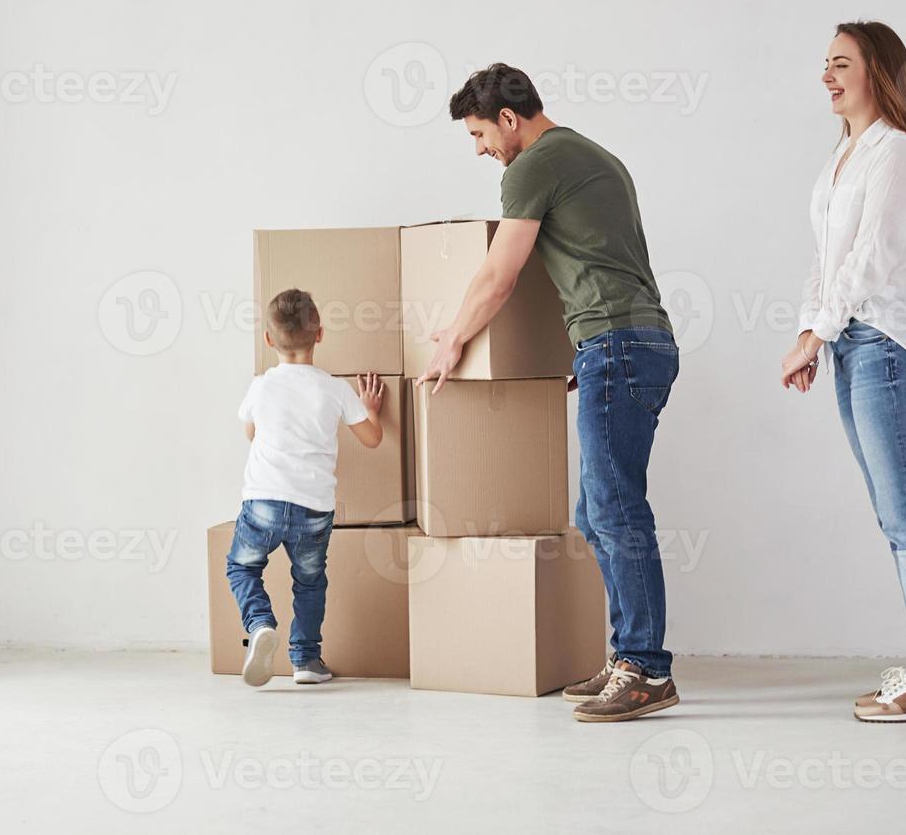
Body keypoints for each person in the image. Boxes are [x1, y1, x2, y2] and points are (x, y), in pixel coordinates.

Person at [418, 63, 680, 723]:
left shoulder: (533, 165)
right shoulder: (593, 155)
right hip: (628, 344)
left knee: (617, 512)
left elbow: (499, 275)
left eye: (480, 134)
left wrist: (451, 339)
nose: (480, 149)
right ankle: (629, 658)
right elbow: (599, 261)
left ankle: (645, 668)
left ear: (509, 120)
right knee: (596, 513)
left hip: (618, 346)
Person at [781, 21, 906, 722]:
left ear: (878, 73)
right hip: (854, 345)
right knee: (893, 514)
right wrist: (812, 331)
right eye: (824, 65)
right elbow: (825, 260)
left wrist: (820, 334)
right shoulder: (844, 158)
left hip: (888, 346)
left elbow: (866, 262)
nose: (827, 76)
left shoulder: (896, 154)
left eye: (841, 63)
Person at [229, 288, 385, 687]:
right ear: (320, 335)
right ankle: (306, 660)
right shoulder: (334, 389)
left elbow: (250, 432)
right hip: (313, 509)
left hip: (263, 499)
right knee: (310, 581)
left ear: (268, 340)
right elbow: (372, 439)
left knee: (243, 566)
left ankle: (261, 622)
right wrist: (370, 409)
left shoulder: (261, 386)